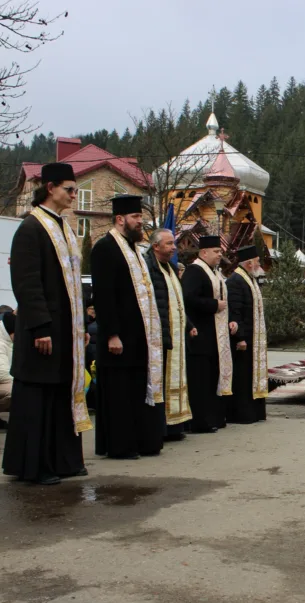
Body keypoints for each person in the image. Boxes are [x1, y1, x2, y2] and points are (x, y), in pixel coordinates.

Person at [4, 162, 91, 485]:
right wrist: (40, 326)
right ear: (50, 188)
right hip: (42, 330)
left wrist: (79, 326)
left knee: (61, 394)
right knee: (39, 397)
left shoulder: (64, 227)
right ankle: (35, 464)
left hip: (65, 329)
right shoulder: (31, 227)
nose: (73, 196)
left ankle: (63, 459)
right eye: (69, 189)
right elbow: (27, 283)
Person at [90, 194, 165, 460]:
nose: (140, 222)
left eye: (140, 217)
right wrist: (111, 333)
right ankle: (120, 446)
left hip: (138, 337)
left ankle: (140, 441)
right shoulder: (105, 248)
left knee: (134, 390)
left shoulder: (134, 249)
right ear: (120, 219)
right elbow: (103, 295)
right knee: (119, 394)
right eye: (135, 217)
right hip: (119, 337)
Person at [145, 228, 194, 442]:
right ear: (155, 246)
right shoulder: (149, 266)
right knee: (161, 381)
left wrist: (188, 324)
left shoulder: (171, 268)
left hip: (176, 335)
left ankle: (176, 424)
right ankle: (163, 426)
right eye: (169, 244)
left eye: (173, 243)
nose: (174, 247)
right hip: (160, 334)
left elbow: (178, 302)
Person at [182, 234, 232, 433]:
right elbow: (188, 298)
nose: (220, 255)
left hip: (214, 334)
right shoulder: (195, 271)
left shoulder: (213, 272)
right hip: (200, 334)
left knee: (211, 378)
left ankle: (214, 417)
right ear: (203, 252)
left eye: (220, 251)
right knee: (200, 380)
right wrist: (214, 305)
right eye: (216, 251)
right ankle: (200, 421)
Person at [227, 244, 269, 424]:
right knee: (242, 378)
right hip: (244, 340)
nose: (260, 265)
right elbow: (235, 312)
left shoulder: (249, 280)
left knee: (251, 376)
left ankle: (255, 412)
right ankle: (241, 414)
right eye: (258, 262)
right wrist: (241, 338)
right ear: (249, 263)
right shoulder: (235, 281)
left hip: (253, 339)